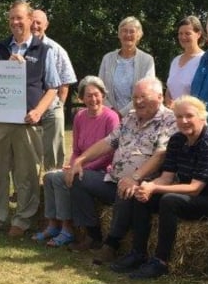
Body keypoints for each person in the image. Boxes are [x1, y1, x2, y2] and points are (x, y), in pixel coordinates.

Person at [110, 96, 208, 279]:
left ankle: (160, 262)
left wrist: (155, 188)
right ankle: (138, 253)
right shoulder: (177, 140)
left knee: (169, 201)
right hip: (192, 193)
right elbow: (167, 177)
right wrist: (148, 186)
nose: (183, 121)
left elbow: (195, 188)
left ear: (203, 117)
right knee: (143, 194)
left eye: (189, 116)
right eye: (179, 116)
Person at [65, 78, 177, 264]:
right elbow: (108, 142)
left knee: (126, 188)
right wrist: (81, 160)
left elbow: (160, 155)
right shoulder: (131, 118)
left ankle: (112, 244)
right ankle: (93, 235)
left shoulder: (169, 120)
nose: (138, 101)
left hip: (143, 182)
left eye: (143, 97)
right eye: (135, 97)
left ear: (159, 97)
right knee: (77, 178)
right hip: (112, 179)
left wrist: (135, 177)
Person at [0, 0, 60, 238]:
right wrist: (5, 69)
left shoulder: (44, 51)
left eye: (19, 18)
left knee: (27, 174)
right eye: (11, 18)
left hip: (28, 122)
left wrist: (38, 111)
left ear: (31, 20)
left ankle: (22, 221)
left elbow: (52, 87)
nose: (14, 22)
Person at [33, 76, 119, 247]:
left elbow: (110, 154)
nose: (93, 99)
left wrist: (79, 168)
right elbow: (77, 150)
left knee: (64, 179)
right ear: (81, 97)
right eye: (88, 95)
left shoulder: (111, 117)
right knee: (50, 177)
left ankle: (67, 229)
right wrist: (73, 165)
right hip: (81, 166)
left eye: (96, 94)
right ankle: (52, 225)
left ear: (103, 95)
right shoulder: (79, 116)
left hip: (102, 170)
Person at [31, 9, 77, 170]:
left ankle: (54, 182)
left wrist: (59, 106)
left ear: (46, 25)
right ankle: (28, 190)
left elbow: (65, 83)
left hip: (51, 107)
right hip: (27, 108)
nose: (35, 26)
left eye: (39, 23)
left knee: (54, 149)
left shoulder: (56, 50)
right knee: (29, 153)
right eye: (32, 21)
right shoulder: (21, 47)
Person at [99, 16, 155, 117]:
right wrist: (112, 113)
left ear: (139, 35)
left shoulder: (147, 60)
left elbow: (146, 92)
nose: (128, 34)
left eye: (132, 31)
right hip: (110, 117)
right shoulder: (107, 59)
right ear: (119, 34)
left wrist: (121, 114)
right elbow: (100, 90)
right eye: (124, 31)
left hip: (138, 116)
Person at [164, 16, 204, 107]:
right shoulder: (175, 60)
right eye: (180, 33)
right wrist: (170, 105)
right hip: (172, 115)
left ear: (198, 34)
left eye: (187, 33)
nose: (183, 37)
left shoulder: (203, 60)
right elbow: (169, 90)